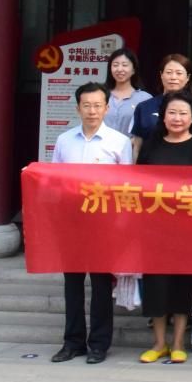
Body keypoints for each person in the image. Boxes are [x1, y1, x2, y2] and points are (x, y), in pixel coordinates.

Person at [51, 82, 132, 364]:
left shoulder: (119, 142)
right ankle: (72, 342)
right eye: (86, 105)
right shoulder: (64, 141)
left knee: (101, 285)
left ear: (107, 108)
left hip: (104, 224)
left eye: (98, 105)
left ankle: (98, 344)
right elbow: (54, 182)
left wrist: (122, 225)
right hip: (72, 222)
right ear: (78, 108)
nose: (92, 111)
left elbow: (127, 186)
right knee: (72, 284)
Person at [136, 90, 192, 364]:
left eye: (183, 113)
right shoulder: (151, 144)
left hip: (190, 229)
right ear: (163, 117)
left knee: (184, 285)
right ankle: (159, 343)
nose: (177, 118)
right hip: (155, 228)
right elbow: (138, 182)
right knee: (155, 285)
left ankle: (179, 342)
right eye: (172, 113)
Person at [130, 54, 192, 160]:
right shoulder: (144, 107)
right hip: (152, 165)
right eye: (169, 72)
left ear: (188, 77)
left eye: (179, 73)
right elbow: (137, 146)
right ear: (161, 75)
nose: (173, 77)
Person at [104, 47, 151, 135]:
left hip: (130, 144)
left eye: (124, 65)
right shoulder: (101, 95)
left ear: (133, 70)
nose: (119, 69)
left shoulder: (145, 99)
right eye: (115, 65)